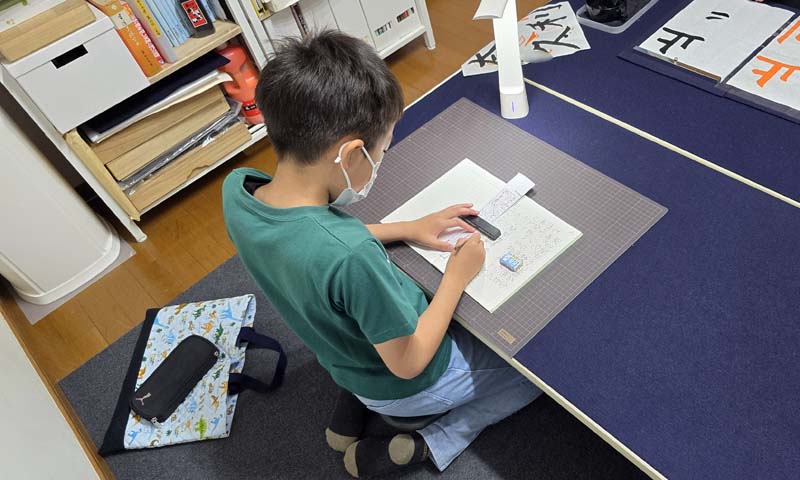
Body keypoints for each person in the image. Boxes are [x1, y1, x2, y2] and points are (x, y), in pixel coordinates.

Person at [222, 31, 542, 478]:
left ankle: (356, 406)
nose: (381, 160)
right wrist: (457, 277)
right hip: (408, 380)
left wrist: (408, 228)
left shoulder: (239, 190)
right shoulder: (352, 257)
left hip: (344, 356)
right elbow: (409, 362)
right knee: (531, 375)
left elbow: (305, 239)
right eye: (382, 151)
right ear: (351, 154)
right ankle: (438, 439)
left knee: (362, 328)